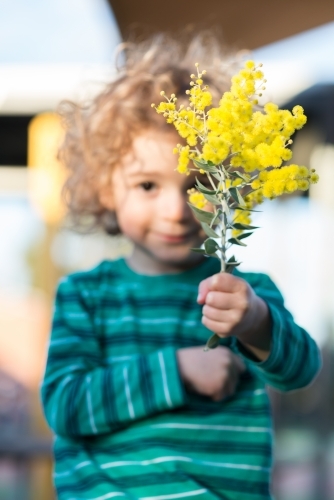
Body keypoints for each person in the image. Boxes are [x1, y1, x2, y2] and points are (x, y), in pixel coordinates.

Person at [41, 34, 321, 500]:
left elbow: (300, 371)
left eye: (200, 182)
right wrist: (176, 371)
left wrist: (255, 324)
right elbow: (66, 406)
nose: (177, 209)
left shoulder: (246, 292)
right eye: (147, 185)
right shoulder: (86, 295)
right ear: (105, 189)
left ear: (234, 184)